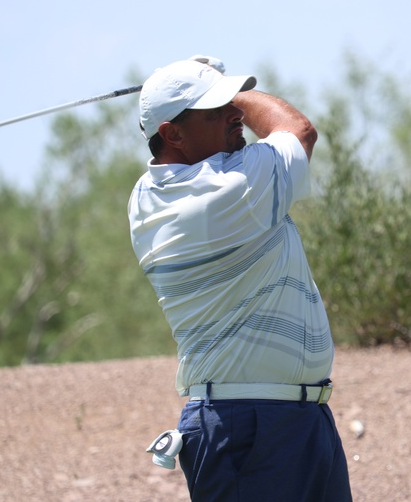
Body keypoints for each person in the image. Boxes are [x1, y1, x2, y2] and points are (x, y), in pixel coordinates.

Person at [127, 55, 352, 502]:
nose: (235, 113)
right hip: (248, 426)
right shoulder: (226, 190)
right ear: (172, 134)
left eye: (231, 103)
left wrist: (204, 87)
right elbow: (298, 130)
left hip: (294, 417)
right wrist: (233, 89)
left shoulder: (147, 195)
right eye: (217, 109)